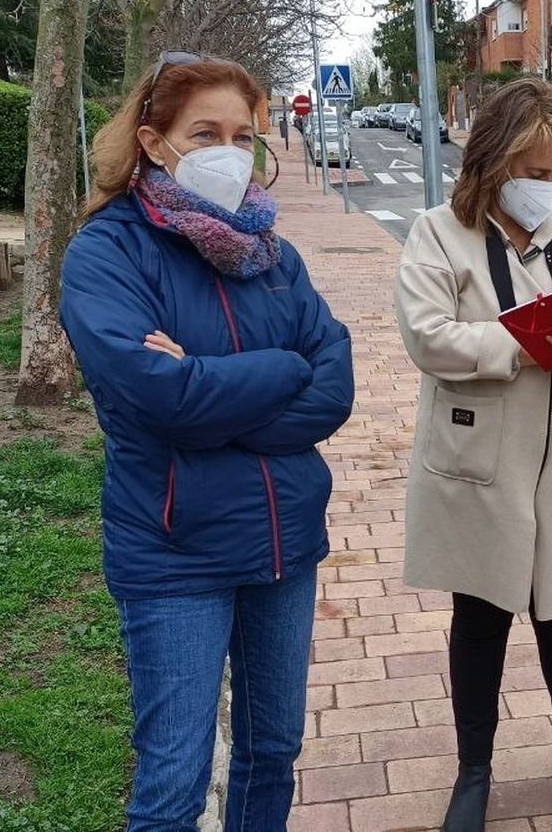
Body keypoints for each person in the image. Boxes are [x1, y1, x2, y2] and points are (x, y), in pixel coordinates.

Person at [60, 51, 355, 832]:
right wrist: (279, 368)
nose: (228, 151)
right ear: (154, 142)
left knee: (272, 751)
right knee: (172, 784)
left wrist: (209, 384)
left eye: (242, 135)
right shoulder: (108, 252)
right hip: (174, 552)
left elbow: (332, 388)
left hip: (282, 544)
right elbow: (154, 396)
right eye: (204, 133)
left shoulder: (274, 256)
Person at [395, 77, 552, 832]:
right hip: (479, 468)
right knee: (478, 622)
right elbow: (427, 335)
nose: (549, 187)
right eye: (534, 172)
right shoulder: (438, 231)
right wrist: (525, 342)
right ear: (492, 162)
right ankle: (473, 773)